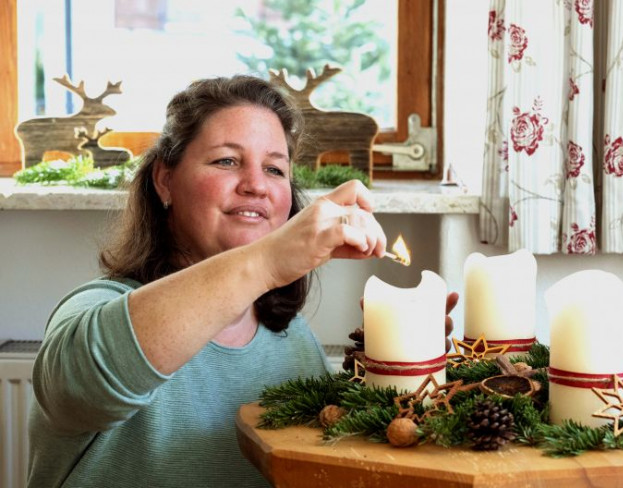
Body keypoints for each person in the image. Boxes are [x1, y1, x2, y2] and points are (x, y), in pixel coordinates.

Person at [26, 74, 457, 488]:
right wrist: (267, 260)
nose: (256, 186)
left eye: (275, 169)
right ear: (165, 180)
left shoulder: (292, 338)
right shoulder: (94, 307)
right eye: (227, 161)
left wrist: (395, 366)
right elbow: (78, 387)